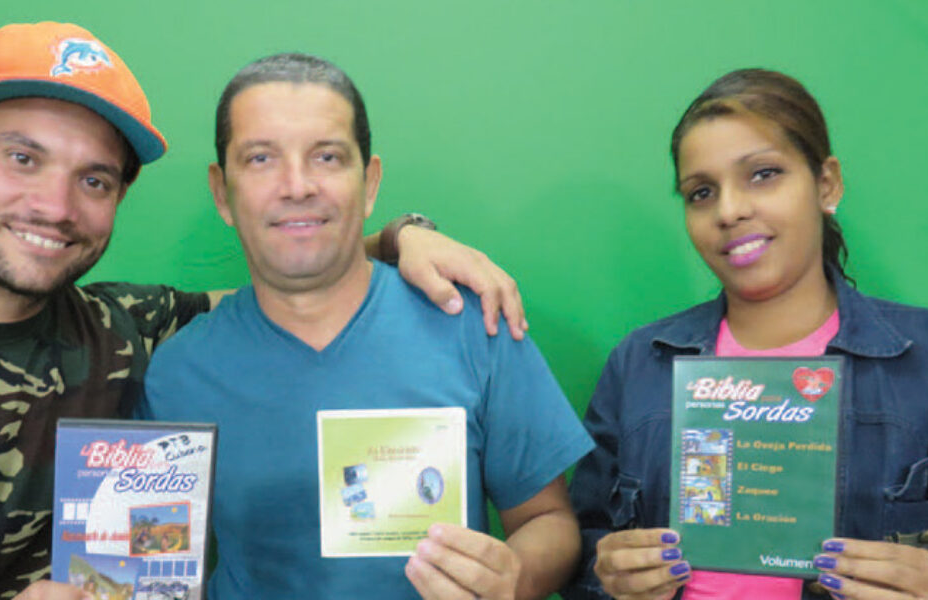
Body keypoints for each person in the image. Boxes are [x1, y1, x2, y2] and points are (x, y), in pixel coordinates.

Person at [0, 23, 531, 600]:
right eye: (23, 158)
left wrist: (402, 237)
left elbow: (304, 291)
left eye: (95, 179)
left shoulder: (125, 331)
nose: (54, 204)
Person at [143, 53, 594, 600]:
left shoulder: (472, 324)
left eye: (327, 157)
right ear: (222, 193)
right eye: (261, 159)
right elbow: (150, 561)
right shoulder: (177, 371)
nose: (297, 185)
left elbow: (550, 521)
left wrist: (514, 578)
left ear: (370, 181)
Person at [562, 69, 928, 600]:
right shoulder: (640, 363)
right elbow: (582, 550)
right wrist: (606, 579)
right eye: (700, 192)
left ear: (826, 184)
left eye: (763, 174)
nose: (730, 210)